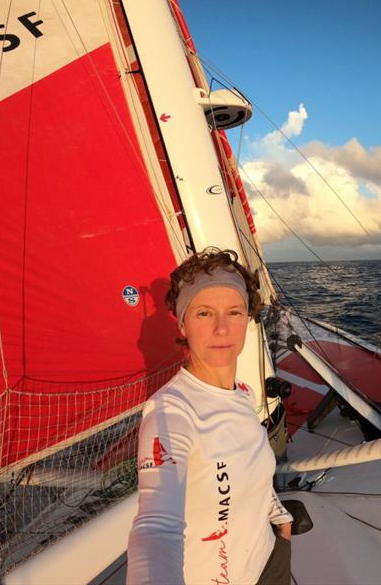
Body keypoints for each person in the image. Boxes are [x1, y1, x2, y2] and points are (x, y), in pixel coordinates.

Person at [127, 248, 293, 585]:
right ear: (182, 323)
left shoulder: (244, 394)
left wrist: (279, 518)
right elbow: (156, 528)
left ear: (247, 318)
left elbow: (249, 467)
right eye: (204, 313)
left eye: (234, 312)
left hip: (270, 561)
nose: (221, 328)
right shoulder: (170, 414)